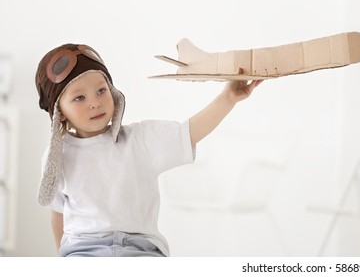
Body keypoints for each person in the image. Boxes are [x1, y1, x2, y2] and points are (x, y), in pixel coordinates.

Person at [34, 43, 263, 257]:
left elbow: (189, 132)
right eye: (79, 97)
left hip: (140, 249)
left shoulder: (140, 140)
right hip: (83, 250)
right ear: (59, 112)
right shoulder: (57, 157)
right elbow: (58, 213)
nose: (94, 102)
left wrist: (228, 98)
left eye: (101, 91)